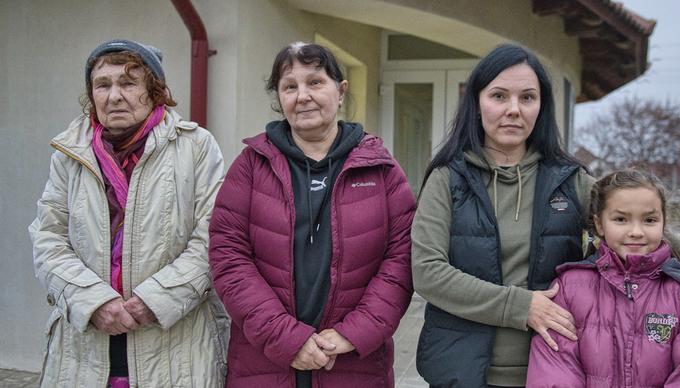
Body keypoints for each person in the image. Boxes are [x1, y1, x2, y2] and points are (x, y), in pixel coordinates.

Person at [410, 44, 680, 387]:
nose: (513, 109)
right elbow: (428, 273)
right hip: (463, 369)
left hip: (556, 368)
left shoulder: (568, 181)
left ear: (542, 107)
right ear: (476, 103)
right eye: (498, 95)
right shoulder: (448, 179)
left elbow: (635, 226)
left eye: (527, 98)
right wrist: (521, 306)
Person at [208, 42, 416, 388]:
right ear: (279, 98)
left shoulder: (381, 168)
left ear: (341, 90)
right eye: (290, 86)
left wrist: (353, 333)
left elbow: (402, 258)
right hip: (264, 362)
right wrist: (286, 338)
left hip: (354, 364)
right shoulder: (250, 166)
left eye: (316, 82)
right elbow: (228, 256)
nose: (302, 95)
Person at [29, 39, 228, 388]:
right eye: (102, 85)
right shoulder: (69, 153)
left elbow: (214, 237)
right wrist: (93, 302)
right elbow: (48, 237)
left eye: (128, 82)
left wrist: (156, 300)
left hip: (175, 347)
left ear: (155, 91)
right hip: (84, 349)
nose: (114, 95)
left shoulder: (195, 146)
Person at [526, 169, 680, 387]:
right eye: (621, 219)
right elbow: (555, 368)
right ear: (600, 225)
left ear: (663, 223)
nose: (636, 231)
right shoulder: (569, 287)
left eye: (649, 220)